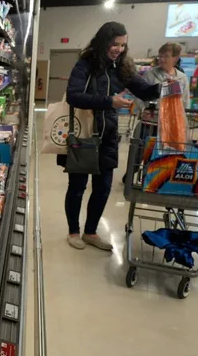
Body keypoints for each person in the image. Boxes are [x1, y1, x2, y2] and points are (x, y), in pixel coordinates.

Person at [60, 21, 160, 251]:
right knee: (77, 186)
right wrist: (108, 102)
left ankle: (91, 232)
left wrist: (163, 87)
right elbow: (73, 95)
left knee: (103, 187)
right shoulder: (86, 64)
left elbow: (143, 90)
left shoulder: (122, 66)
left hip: (108, 135)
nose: (119, 49)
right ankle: (73, 231)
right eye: (115, 44)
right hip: (84, 134)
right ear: (104, 41)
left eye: (123, 45)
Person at [143, 42, 190, 108]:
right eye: (160, 56)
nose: (162, 59)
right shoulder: (149, 75)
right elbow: (139, 97)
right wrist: (144, 110)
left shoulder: (182, 78)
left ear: (175, 58)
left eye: (166, 56)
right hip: (154, 117)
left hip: (174, 117)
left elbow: (185, 102)